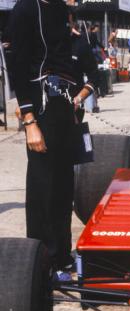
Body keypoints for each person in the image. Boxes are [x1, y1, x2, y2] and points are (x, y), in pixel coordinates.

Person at [9, 0, 85, 280]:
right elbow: (17, 65)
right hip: (40, 107)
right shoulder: (27, 8)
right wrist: (29, 120)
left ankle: (62, 257)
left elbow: (67, 61)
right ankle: (42, 262)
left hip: (64, 106)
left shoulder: (60, 10)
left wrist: (75, 105)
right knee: (44, 187)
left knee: (65, 186)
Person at [71, 22, 99, 122]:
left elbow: (94, 76)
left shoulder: (80, 43)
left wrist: (79, 99)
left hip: (74, 106)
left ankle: (91, 107)